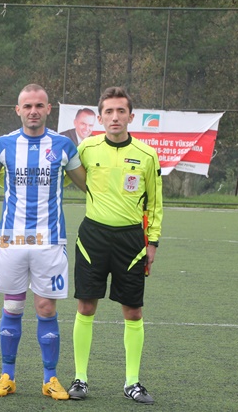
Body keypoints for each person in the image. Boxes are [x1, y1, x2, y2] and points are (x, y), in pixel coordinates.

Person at [0, 84, 86, 400]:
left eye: (39, 105)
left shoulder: (64, 146)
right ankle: (7, 376)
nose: (33, 111)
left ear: (49, 109)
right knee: (12, 305)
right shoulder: (3, 145)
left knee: (46, 307)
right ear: (18, 110)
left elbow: (88, 184)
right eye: (27, 106)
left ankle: (50, 379)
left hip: (49, 240)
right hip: (12, 239)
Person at [68, 86, 163, 404]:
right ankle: (80, 378)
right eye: (108, 111)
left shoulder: (147, 155)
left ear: (131, 117)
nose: (115, 117)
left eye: (121, 111)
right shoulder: (87, 148)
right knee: (86, 306)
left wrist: (153, 242)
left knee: (133, 311)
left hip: (131, 242)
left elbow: (155, 203)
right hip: (92, 238)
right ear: (100, 117)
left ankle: (132, 382)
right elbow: (66, 176)